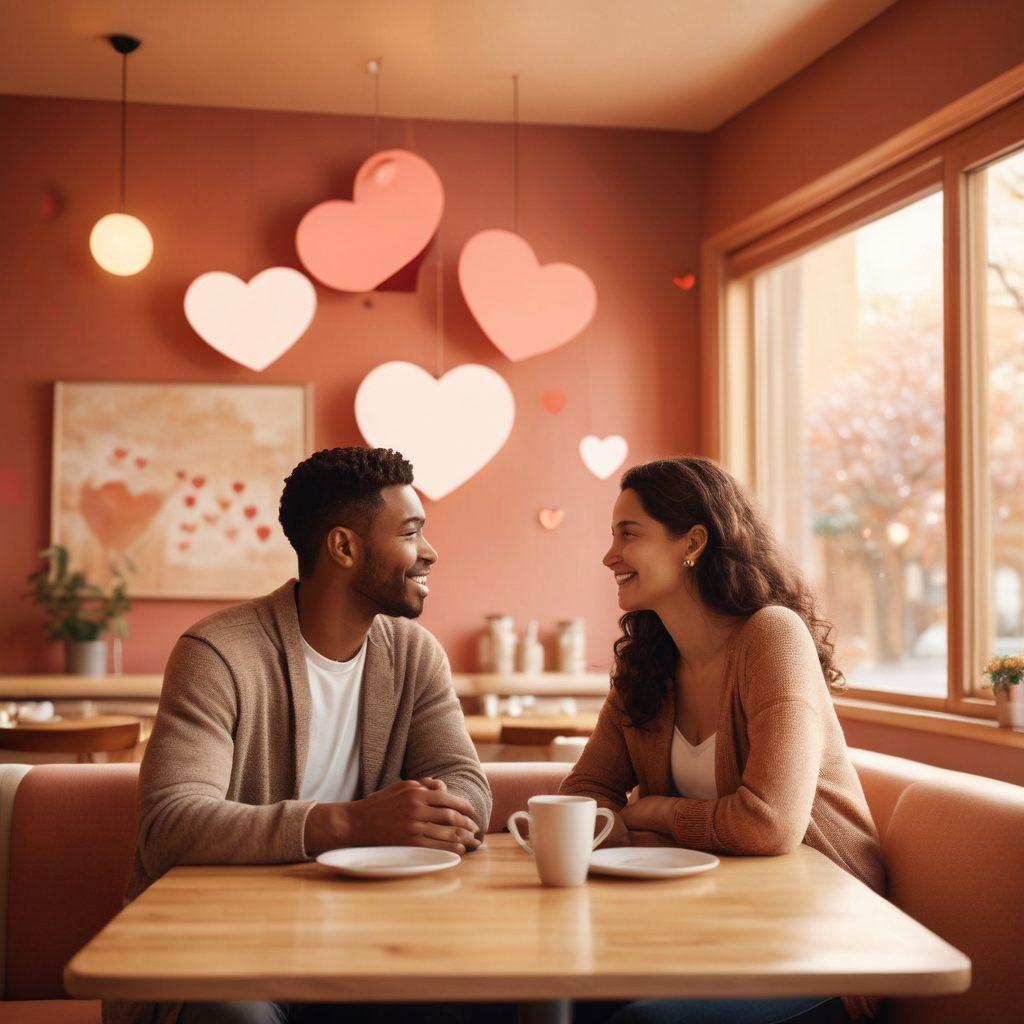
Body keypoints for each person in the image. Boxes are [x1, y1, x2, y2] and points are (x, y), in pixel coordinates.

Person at [105, 447, 493, 1024]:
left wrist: (435, 812)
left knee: (486, 1000)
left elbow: (468, 787)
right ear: (344, 547)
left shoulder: (415, 655)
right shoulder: (218, 653)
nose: (430, 553)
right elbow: (169, 825)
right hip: (221, 946)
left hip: (371, 942)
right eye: (411, 533)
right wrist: (350, 824)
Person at [561, 457, 885, 1024]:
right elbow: (586, 793)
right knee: (564, 994)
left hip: (825, 944)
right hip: (710, 930)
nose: (609, 556)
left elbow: (769, 824)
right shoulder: (646, 666)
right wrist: (625, 826)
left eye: (628, 534)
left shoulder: (772, 636)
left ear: (693, 542)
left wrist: (655, 812)